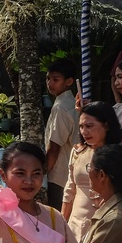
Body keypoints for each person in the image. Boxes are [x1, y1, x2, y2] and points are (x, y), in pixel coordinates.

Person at [62, 102, 122, 243]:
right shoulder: (78, 151)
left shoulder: (120, 153)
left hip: (105, 224)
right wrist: (61, 223)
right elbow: (69, 190)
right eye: (81, 127)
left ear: (106, 125)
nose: (84, 131)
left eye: (89, 126)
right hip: (75, 224)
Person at [44, 58, 79, 209]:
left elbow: (54, 147)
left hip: (58, 175)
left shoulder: (61, 107)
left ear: (69, 81)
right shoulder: (73, 104)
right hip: (71, 172)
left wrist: (43, 172)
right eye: (48, 79)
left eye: (55, 79)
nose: (50, 83)